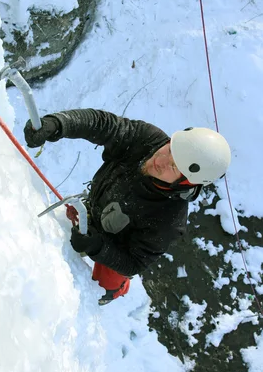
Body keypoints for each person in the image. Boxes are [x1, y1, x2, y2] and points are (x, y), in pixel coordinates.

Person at [24, 109, 231, 305]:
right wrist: (59, 124)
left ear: (187, 182)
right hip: (101, 209)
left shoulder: (168, 220)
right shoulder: (148, 139)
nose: (160, 160)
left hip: (117, 246)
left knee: (105, 281)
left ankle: (114, 291)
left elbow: (134, 262)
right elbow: (103, 125)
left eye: (174, 166)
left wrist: (96, 247)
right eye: (169, 150)